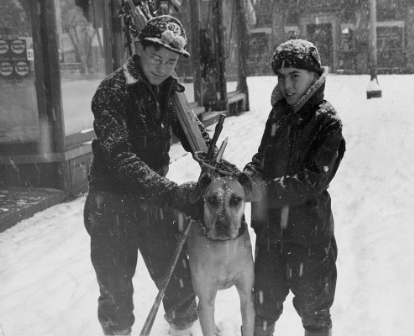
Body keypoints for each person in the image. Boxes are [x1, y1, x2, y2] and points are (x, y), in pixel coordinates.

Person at [83, 15, 212, 336]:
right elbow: (121, 160)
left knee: (179, 282)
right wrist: (174, 195)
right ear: (139, 49)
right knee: (116, 289)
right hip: (111, 202)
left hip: (154, 202)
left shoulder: (169, 93)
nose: (162, 67)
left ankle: (182, 330)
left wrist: (219, 169)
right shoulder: (112, 91)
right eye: (156, 57)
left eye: (170, 62)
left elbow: (196, 137)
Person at [243, 39, 346, 336]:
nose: (287, 85)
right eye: (281, 76)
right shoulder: (279, 113)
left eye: (294, 76)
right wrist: (247, 178)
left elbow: (312, 180)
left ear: (314, 76)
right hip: (270, 236)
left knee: (315, 314)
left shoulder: (328, 123)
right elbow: (262, 156)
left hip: (309, 240)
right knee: (261, 310)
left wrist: (261, 192)